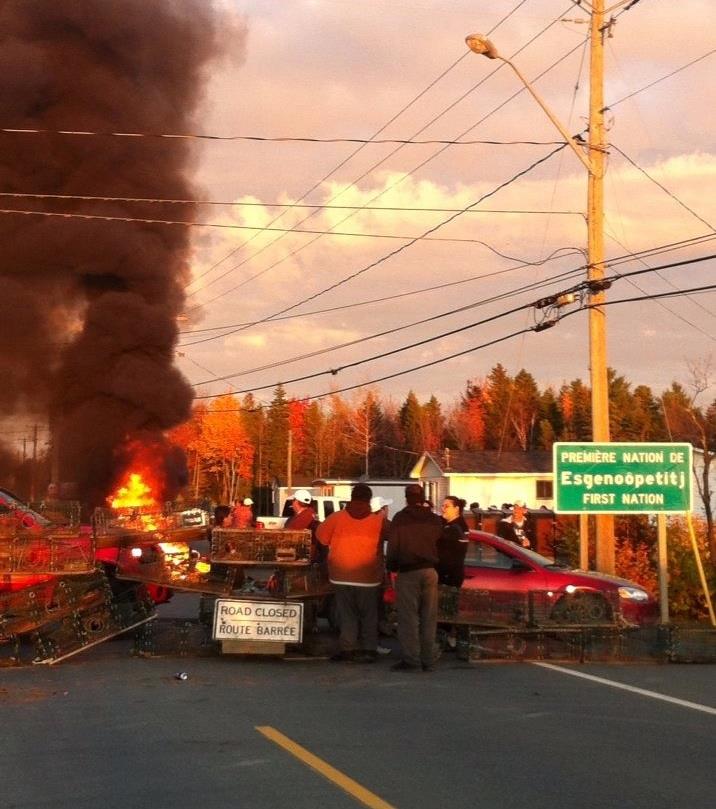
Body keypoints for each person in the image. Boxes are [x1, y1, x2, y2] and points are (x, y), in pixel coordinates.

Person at [316, 484, 387, 663]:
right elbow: (396, 535)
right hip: (369, 576)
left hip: (340, 575)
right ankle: (369, 649)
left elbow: (321, 537)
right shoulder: (378, 521)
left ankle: (348, 648)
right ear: (369, 500)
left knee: (347, 615)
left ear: (351, 497)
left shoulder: (337, 518)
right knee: (369, 614)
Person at [386, 483, 443, 672]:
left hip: (408, 572)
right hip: (430, 571)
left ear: (406, 498)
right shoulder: (434, 519)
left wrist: (391, 567)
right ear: (422, 497)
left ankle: (412, 660)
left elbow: (393, 547)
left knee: (408, 618)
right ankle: (428, 659)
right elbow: (441, 543)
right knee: (429, 617)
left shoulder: (400, 519)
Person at [437, 496, 469, 587]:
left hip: (449, 577)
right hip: (445, 574)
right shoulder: (447, 524)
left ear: (456, 509)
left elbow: (449, 555)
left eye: (447, 506)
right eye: (442, 506)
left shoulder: (457, 528)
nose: (443, 509)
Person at [284, 489, 322, 561]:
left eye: (293, 501)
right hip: (310, 555)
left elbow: (288, 535)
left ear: (296, 502)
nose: (292, 503)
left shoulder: (303, 518)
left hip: (301, 556)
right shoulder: (311, 514)